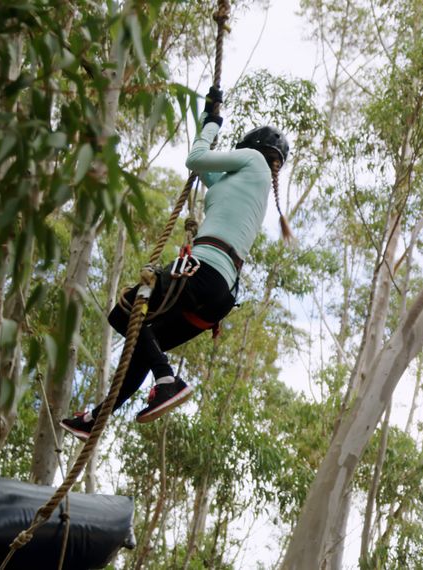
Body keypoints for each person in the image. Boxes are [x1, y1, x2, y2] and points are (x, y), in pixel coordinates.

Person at [60, 87, 291, 440]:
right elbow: (207, 172)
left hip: (203, 270)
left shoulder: (253, 162)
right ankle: (98, 418)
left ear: (252, 147)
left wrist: (213, 124)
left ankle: (167, 379)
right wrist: (207, 116)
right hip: (218, 294)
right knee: (141, 342)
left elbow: (196, 159)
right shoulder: (250, 181)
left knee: (124, 310)